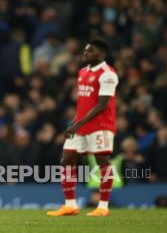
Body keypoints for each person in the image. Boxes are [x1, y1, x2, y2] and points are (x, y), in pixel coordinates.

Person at [47, 38, 119, 217]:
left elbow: (102, 105)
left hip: (101, 125)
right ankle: (70, 205)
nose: (85, 54)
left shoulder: (108, 74)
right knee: (66, 160)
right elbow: (84, 103)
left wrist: (77, 124)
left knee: (102, 163)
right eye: (85, 50)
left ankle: (103, 207)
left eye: (90, 51)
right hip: (81, 125)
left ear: (101, 53)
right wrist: (75, 123)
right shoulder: (82, 72)